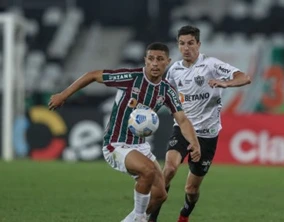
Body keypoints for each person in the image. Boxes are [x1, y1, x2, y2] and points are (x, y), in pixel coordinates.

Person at [48, 42, 201, 222]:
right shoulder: (131, 78)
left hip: (140, 145)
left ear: (167, 62)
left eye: (159, 59)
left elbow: (182, 119)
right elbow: (93, 75)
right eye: (151, 58)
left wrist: (195, 142)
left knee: (160, 195)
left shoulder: (167, 90)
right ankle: (139, 218)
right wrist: (63, 95)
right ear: (145, 60)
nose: (154, 63)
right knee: (148, 171)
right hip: (116, 143)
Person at [148, 26, 251, 222]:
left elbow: (244, 77)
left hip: (207, 135)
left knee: (191, 189)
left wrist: (225, 83)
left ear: (198, 44)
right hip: (183, 128)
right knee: (168, 170)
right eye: (181, 44)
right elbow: (163, 95)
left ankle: (184, 215)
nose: (186, 48)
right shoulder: (174, 70)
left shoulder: (211, 65)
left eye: (190, 43)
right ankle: (151, 218)